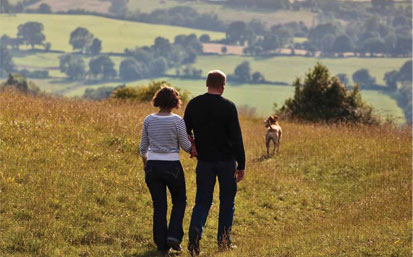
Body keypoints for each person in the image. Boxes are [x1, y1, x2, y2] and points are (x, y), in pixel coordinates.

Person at [184, 70, 246, 255]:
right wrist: (241, 165)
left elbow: (184, 131)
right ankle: (224, 241)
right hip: (227, 162)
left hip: (204, 162)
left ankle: (196, 231)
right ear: (223, 86)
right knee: (227, 201)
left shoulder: (194, 104)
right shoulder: (229, 106)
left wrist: (192, 146)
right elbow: (237, 138)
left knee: (202, 201)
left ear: (206, 83)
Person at [139, 86, 193, 255]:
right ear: (175, 102)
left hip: (153, 166)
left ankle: (162, 245)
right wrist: (196, 146)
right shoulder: (177, 121)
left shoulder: (149, 120)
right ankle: (174, 237)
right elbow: (186, 146)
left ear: (158, 100)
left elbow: (143, 148)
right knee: (179, 201)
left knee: (159, 206)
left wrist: (146, 162)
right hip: (172, 166)